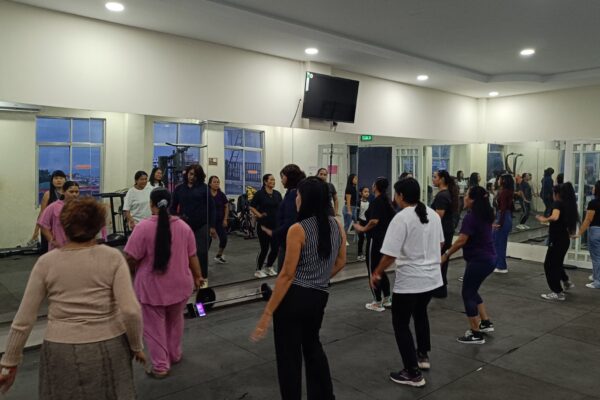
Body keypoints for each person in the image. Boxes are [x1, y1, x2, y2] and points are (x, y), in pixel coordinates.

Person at [0, 198, 145, 398]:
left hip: (59, 349)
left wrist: (9, 362)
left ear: (64, 225)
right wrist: (136, 346)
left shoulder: (46, 262)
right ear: (98, 226)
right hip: (110, 343)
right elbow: (131, 311)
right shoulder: (113, 257)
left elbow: (24, 319)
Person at [251, 177, 347, 400]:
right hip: (319, 296)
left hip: (294, 298)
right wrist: (319, 279)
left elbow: (286, 275)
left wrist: (267, 312)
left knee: (289, 357)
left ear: (306, 199)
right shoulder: (337, 225)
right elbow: (341, 262)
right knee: (312, 347)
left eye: (298, 195)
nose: (295, 199)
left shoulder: (298, 229)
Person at [369, 178, 444, 387]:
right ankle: (422, 356)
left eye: (396, 194)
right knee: (420, 313)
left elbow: (390, 254)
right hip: (431, 279)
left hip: (411, 280)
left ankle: (412, 373)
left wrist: (377, 272)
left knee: (400, 323)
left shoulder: (401, 218)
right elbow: (440, 243)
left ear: (401, 196)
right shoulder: (432, 214)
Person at [124, 188, 203, 378]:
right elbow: (192, 256)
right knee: (175, 321)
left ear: (151, 204)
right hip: (180, 286)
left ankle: (160, 366)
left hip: (152, 289)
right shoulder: (184, 227)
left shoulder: (142, 228)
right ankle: (174, 355)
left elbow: (130, 257)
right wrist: (198, 277)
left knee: (154, 328)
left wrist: (128, 276)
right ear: (171, 205)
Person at [441, 186, 496, 344]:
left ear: (472, 200)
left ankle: (475, 333)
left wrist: (446, 254)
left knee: (467, 293)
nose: (463, 198)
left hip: (480, 261)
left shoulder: (471, 218)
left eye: (466, 195)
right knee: (472, 290)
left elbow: (461, 240)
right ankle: (485, 322)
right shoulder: (485, 214)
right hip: (488, 259)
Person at [354, 178, 396, 312]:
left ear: (376, 187)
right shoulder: (385, 200)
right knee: (380, 269)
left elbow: (374, 221)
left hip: (375, 239)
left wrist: (362, 229)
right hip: (384, 239)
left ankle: (377, 302)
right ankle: (387, 299)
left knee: (373, 270)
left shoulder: (378, 201)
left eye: (373, 184)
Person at [171, 164, 216, 287]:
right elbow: (172, 208)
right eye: (191, 174)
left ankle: (203, 279)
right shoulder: (179, 189)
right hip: (184, 226)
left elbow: (212, 208)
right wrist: (177, 218)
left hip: (202, 225)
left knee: (201, 252)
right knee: (183, 254)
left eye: (195, 175)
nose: (192, 177)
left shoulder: (204, 188)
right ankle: (187, 277)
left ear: (199, 176)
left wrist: (212, 226)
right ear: (187, 174)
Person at [536, 183, 579, 300]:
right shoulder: (569, 205)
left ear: (557, 194)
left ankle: (557, 292)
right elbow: (568, 225)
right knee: (557, 263)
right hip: (563, 240)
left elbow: (555, 217)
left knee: (549, 265)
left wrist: (544, 219)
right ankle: (566, 281)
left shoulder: (558, 203)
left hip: (557, 240)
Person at [262, 164, 305, 271]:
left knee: (285, 273)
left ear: (288, 177)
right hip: (289, 238)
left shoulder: (293, 194)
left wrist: (274, 232)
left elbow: (291, 221)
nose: (280, 180)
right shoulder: (291, 192)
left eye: (282, 177)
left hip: (289, 241)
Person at [431, 169, 459, 297]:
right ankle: (440, 288)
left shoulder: (442, 196)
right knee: (442, 259)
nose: (433, 179)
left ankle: (439, 288)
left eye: (435, 177)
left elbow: (438, 217)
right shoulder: (446, 194)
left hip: (442, 233)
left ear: (442, 179)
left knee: (440, 259)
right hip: (446, 231)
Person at [250, 174, 283, 278]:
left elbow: (281, 207)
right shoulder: (259, 194)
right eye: (271, 180)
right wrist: (259, 215)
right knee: (264, 249)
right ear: (265, 181)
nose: (273, 181)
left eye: (274, 180)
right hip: (263, 226)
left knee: (275, 248)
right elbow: (252, 206)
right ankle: (258, 270)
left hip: (275, 226)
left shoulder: (277, 194)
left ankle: (268, 267)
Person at [37, 181, 80, 251]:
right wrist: (52, 240)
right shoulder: (53, 207)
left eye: (76, 192)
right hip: (58, 247)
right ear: (63, 192)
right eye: (71, 192)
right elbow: (42, 225)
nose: (74, 194)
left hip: (77, 247)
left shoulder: (81, 207)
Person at [31, 170, 67, 252]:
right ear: (52, 181)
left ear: (65, 180)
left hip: (63, 229)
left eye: (61, 178)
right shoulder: (48, 194)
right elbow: (42, 214)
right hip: (49, 229)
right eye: (56, 178)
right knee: (48, 253)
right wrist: (36, 231)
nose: (58, 180)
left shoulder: (68, 194)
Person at [576, 180, 600, 289]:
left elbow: (588, 220)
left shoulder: (593, 203)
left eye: (594, 187)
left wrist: (579, 233)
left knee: (596, 257)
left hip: (596, 232)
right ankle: (596, 275)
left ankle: (597, 281)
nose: (592, 188)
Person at [493, 174, 514, 273]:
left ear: (503, 181)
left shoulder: (504, 192)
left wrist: (500, 222)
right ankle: (499, 264)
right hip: (506, 217)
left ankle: (501, 266)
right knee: (499, 242)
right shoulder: (508, 191)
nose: (498, 180)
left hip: (503, 217)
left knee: (499, 243)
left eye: (499, 179)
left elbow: (503, 209)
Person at [208, 176, 229, 264]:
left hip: (220, 221)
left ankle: (219, 256)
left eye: (218, 182)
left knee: (224, 239)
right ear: (210, 184)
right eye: (214, 182)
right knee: (207, 241)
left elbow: (226, 207)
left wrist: (225, 219)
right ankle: (203, 258)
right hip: (208, 221)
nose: (216, 184)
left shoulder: (221, 195)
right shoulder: (206, 194)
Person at [356, 186, 370, 261]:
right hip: (361, 221)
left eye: (368, 192)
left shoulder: (369, 203)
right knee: (361, 239)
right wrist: (358, 223)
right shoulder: (358, 202)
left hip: (367, 222)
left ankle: (367, 253)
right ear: (361, 193)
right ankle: (359, 254)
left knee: (368, 238)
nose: (367, 193)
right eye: (365, 191)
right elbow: (357, 213)